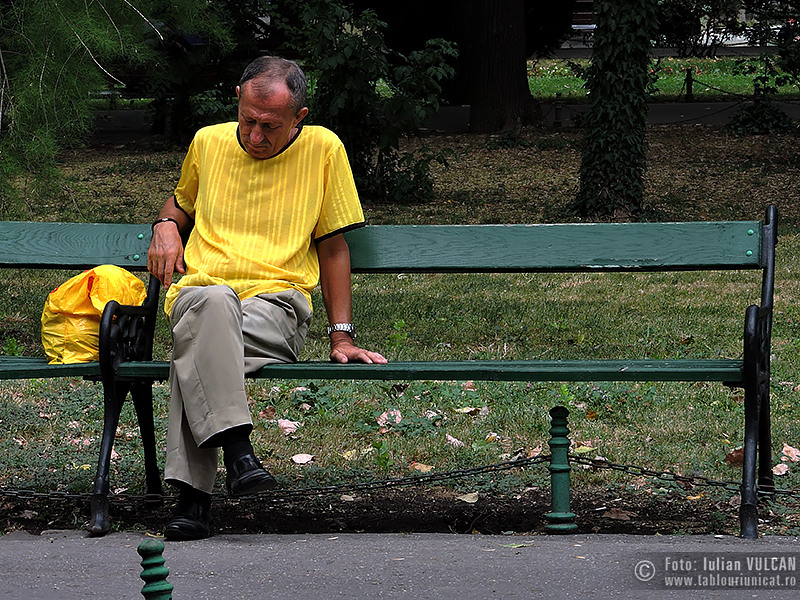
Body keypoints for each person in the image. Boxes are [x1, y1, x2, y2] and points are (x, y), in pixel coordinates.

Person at [147, 56, 387, 541]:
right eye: (249, 121)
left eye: (270, 127)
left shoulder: (323, 149)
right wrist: (166, 225)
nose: (256, 137)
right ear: (238, 98)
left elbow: (334, 245)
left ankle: (195, 500)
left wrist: (341, 335)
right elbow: (180, 201)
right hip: (201, 297)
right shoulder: (207, 142)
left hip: (274, 308)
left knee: (195, 353)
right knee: (211, 305)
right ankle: (239, 455)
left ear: (299, 117)